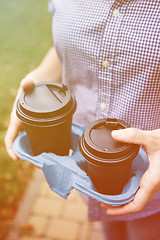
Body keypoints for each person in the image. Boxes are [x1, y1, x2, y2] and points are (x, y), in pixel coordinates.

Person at [5, 0, 160, 239]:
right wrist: (39, 81)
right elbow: (61, 50)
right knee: (110, 231)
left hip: (152, 186)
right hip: (92, 175)